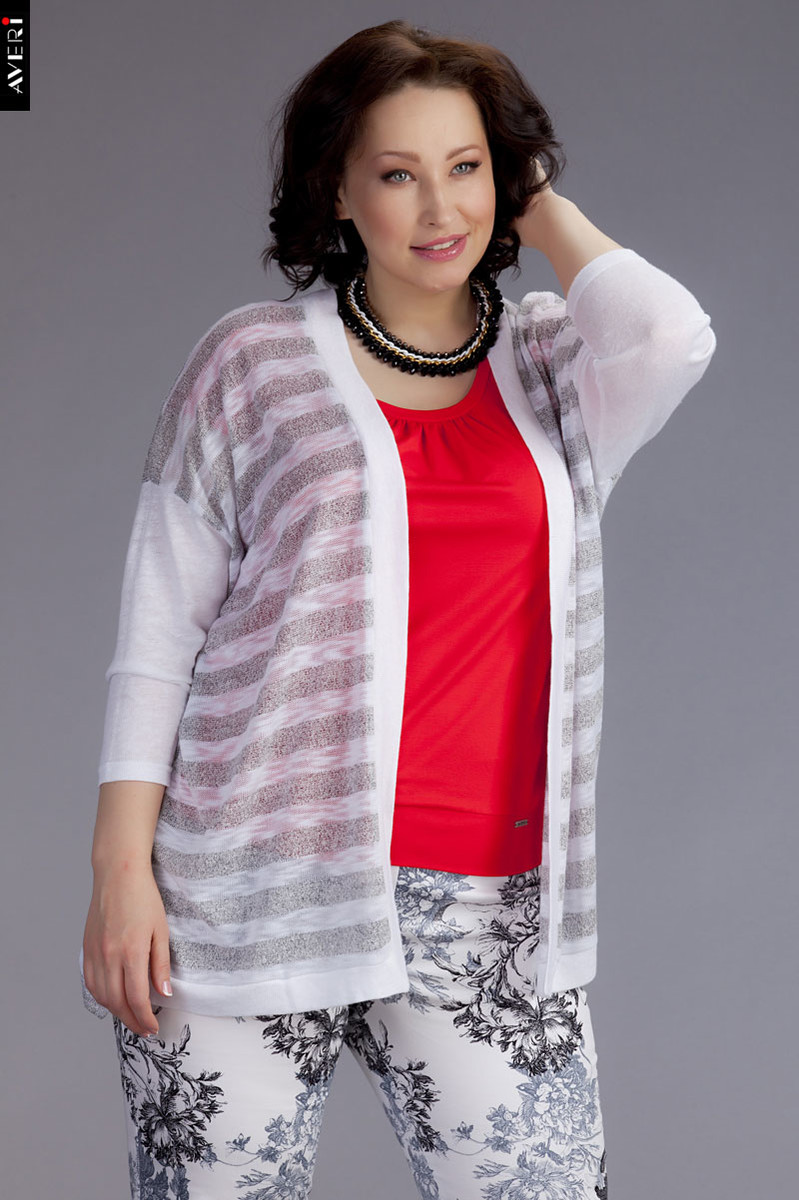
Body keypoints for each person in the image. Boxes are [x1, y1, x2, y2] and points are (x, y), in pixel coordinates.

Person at [79, 18, 716, 1200]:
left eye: (466, 167)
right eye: (396, 173)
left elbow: (673, 336)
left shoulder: (556, 367)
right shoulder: (251, 364)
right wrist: (122, 870)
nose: (439, 207)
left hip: (490, 911)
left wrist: (534, 203)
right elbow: (158, 640)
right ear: (338, 189)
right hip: (250, 888)